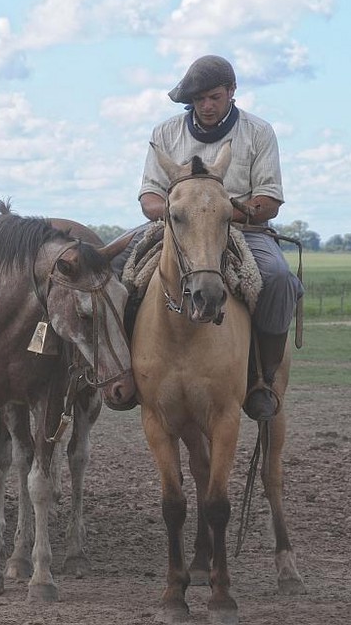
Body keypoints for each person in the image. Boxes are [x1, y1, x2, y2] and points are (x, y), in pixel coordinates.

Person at [117, 54, 303, 421]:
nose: (206, 105)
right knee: (112, 271)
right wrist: (181, 211)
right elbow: (150, 197)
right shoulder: (165, 134)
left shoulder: (257, 132)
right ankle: (123, 372)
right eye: (198, 99)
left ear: (231, 92)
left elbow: (268, 201)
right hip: (175, 226)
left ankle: (261, 379)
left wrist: (215, 210)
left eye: (214, 97)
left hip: (242, 228)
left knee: (279, 278)